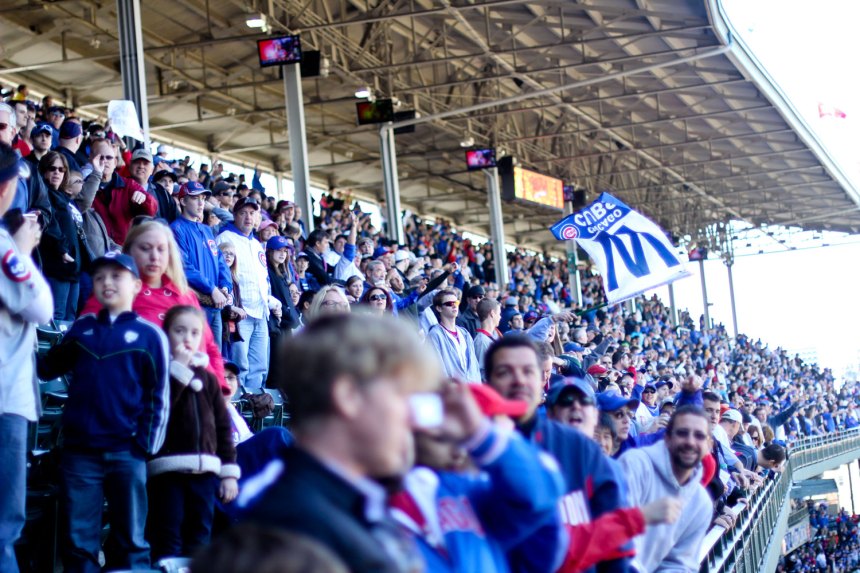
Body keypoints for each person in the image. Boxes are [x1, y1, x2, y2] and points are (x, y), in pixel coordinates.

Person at [241, 314, 437, 572]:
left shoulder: (355, 508)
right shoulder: (292, 533)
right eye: (404, 396)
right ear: (349, 396)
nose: (416, 419)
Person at [37, 252, 170, 572]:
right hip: (80, 453)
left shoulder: (150, 335)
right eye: (99, 277)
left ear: (137, 285)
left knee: (131, 540)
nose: (107, 282)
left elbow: (159, 397)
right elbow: (46, 368)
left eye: (116, 276)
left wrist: (143, 446)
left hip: (127, 451)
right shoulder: (82, 331)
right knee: (79, 540)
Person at [80, 220, 227, 390]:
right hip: (138, 400)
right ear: (129, 251)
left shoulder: (186, 295)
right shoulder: (111, 290)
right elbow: (87, 341)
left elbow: (210, 348)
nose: (154, 257)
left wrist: (220, 394)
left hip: (196, 403)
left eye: (161, 249)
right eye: (145, 248)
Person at [146, 306, 239, 561]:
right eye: (180, 330)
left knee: (200, 537)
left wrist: (228, 472)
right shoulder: (159, 372)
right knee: (168, 537)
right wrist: (178, 371)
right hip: (169, 473)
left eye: (195, 332)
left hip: (205, 474)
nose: (187, 338)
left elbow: (223, 427)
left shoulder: (209, 379)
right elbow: (158, 412)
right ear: (167, 335)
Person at [0, 142, 53, 573]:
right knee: (3, 530)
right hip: (2, 404)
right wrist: (21, 249)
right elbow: (41, 307)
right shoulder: (4, 245)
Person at [617, 406, 713, 573]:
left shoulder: (701, 502)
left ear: (708, 445)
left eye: (699, 436)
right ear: (667, 438)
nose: (690, 441)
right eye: (682, 433)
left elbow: (680, 564)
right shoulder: (635, 464)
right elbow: (613, 532)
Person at [216, 197, 281, 390]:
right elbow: (221, 276)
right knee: (240, 367)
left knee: (260, 367)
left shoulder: (258, 244)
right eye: (243, 213)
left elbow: (263, 279)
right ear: (235, 215)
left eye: (252, 213)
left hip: (260, 312)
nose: (248, 217)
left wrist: (271, 302)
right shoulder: (225, 238)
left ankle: (256, 411)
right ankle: (240, 409)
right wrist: (230, 305)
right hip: (239, 313)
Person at [171, 181, 233, 349]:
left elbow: (220, 262)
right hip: (194, 304)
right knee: (197, 356)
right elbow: (184, 267)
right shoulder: (176, 229)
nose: (201, 203)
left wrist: (225, 286)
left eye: (203, 198)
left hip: (216, 305)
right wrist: (212, 289)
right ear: (183, 201)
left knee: (215, 357)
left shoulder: (206, 229)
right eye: (195, 198)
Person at [38, 151, 90, 321]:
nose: (57, 173)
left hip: (73, 266)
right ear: (44, 171)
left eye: (61, 170)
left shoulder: (63, 198)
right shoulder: (42, 193)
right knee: (56, 317)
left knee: (70, 317)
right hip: (57, 265)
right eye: (52, 168)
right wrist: (61, 250)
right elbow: (48, 224)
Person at [89, 138, 157, 245]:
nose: (104, 161)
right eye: (100, 157)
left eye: (109, 157)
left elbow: (152, 209)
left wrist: (144, 199)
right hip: (96, 250)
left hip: (123, 249)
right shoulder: (85, 186)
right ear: (92, 160)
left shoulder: (128, 185)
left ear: (115, 162)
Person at [426, 288, 481, 383]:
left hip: (473, 390)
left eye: (456, 303)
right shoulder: (434, 335)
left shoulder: (465, 333)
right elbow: (439, 370)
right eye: (449, 304)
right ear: (439, 308)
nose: (454, 306)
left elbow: (474, 366)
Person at [473, 297, 502, 379]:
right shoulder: (481, 341)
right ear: (492, 313)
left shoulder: (496, 334)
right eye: (499, 314)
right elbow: (480, 374)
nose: (500, 317)